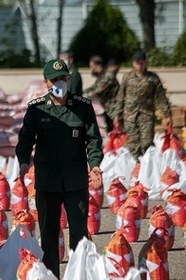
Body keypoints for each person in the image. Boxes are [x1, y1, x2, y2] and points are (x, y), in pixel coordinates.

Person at [15, 59, 103, 279]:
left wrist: (94, 166)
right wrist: (24, 161)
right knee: (49, 237)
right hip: (47, 182)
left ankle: (79, 274)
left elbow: (93, 140)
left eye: (63, 78)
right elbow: (26, 138)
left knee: (79, 235)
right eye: (54, 79)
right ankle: (51, 276)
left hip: (75, 182)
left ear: (69, 79)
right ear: (46, 82)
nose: (59, 83)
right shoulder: (36, 109)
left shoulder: (83, 107)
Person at [113, 50, 172, 161]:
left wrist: (167, 115)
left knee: (147, 143)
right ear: (133, 63)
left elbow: (161, 97)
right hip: (130, 115)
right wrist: (117, 114)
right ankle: (136, 168)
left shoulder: (152, 78)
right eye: (137, 62)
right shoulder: (127, 77)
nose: (139, 65)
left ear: (145, 62)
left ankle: (148, 167)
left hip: (146, 115)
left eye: (142, 62)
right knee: (133, 145)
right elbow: (121, 96)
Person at [84, 55, 119, 132]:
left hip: (114, 111)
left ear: (98, 66)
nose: (91, 69)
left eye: (92, 67)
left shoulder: (108, 77)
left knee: (115, 134)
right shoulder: (101, 77)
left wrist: (84, 96)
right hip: (108, 110)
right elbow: (93, 87)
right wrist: (82, 92)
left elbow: (98, 92)